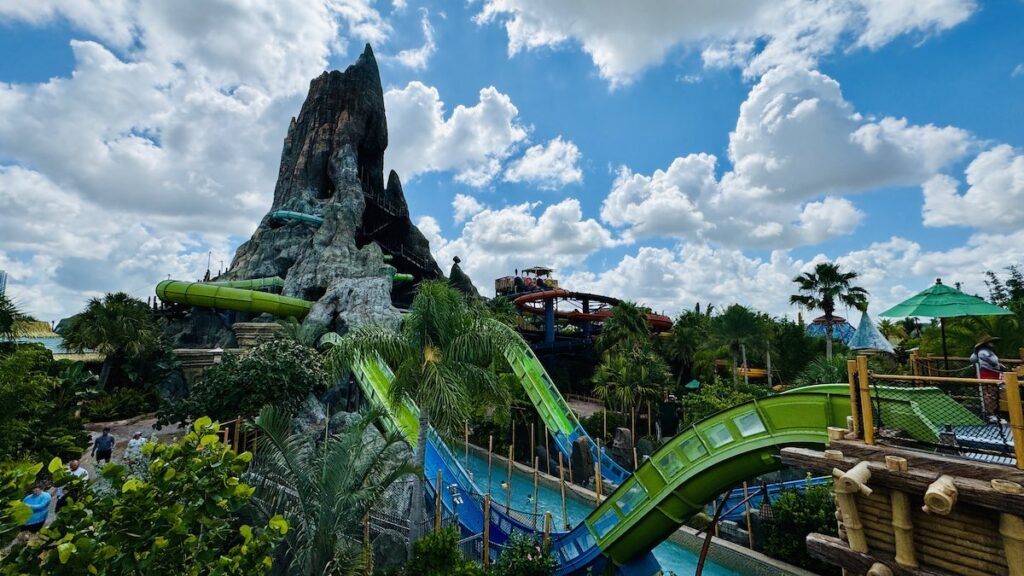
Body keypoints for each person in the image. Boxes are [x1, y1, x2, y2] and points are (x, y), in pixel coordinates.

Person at [970, 335, 1006, 417]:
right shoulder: (983, 352)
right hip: (988, 374)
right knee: (989, 394)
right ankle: (990, 414)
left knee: (993, 394)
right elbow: (990, 362)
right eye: (991, 342)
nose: (993, 344)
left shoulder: (988, 351)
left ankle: (993, 412)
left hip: (993, 373)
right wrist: (997, 366)